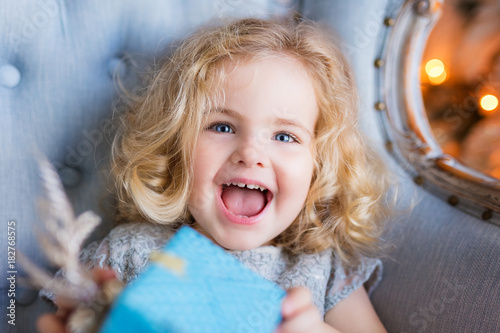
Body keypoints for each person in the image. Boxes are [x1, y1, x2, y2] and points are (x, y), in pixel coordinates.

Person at [38, 17, 391, 333]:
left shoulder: (320, 271)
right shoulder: (128, 251)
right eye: (221, 127)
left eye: (284, 136)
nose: (250, 153)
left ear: (319, 166)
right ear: (176, 147)